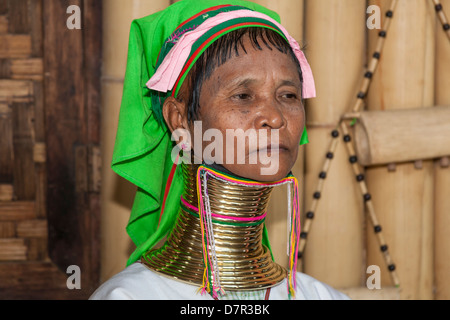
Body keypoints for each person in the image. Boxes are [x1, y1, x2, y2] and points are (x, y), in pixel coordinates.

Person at [90, 0, 350, 300]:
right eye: (243, 95)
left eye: (288, 95)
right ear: (180, 120)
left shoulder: (319, 297)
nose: (276, 117)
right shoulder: (131, 297)